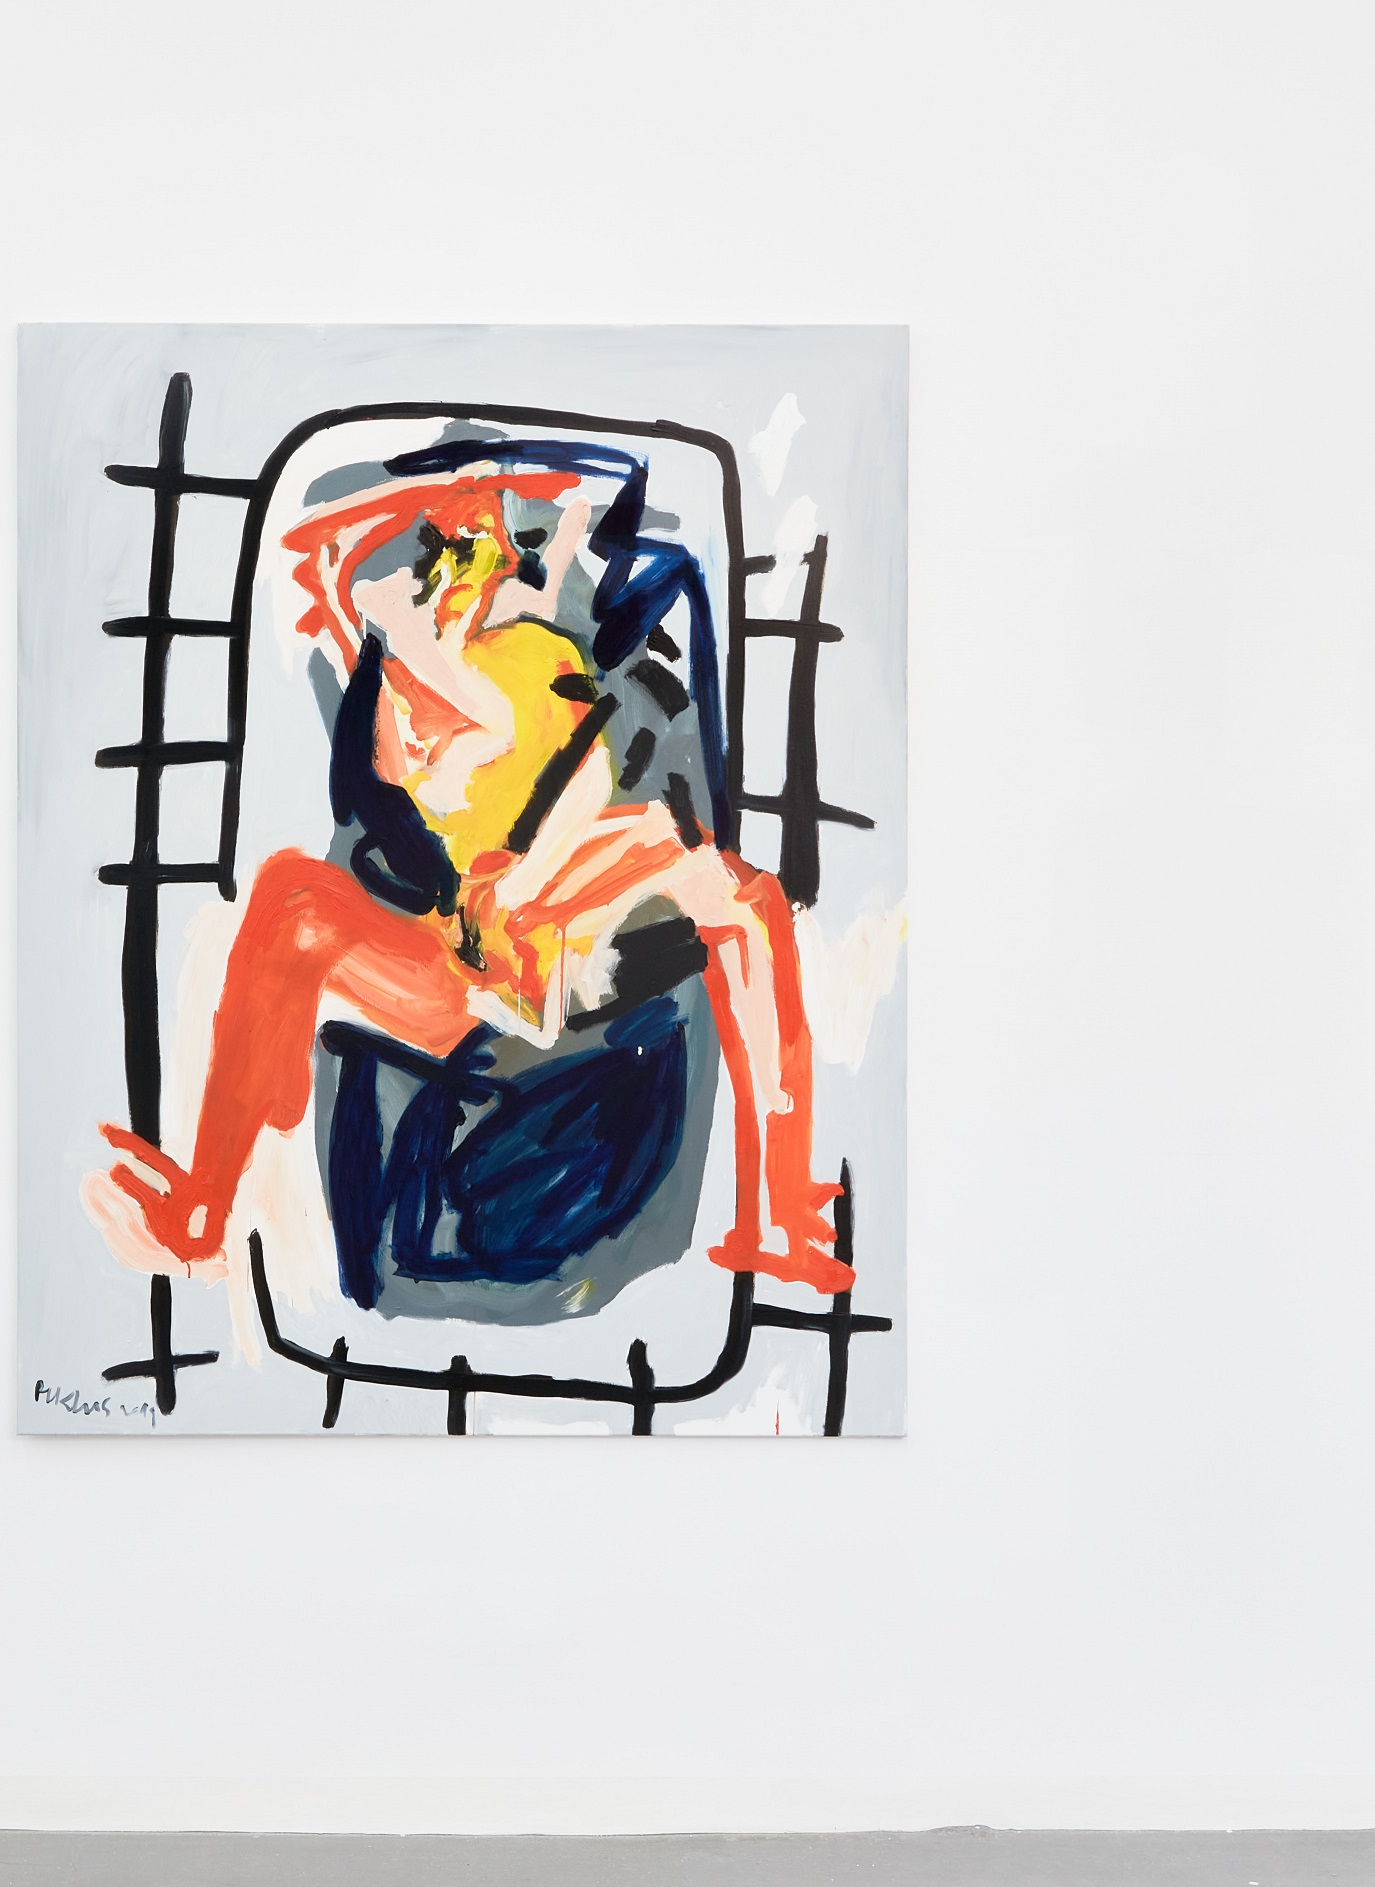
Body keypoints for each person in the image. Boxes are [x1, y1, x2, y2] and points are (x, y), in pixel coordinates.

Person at [84, 434, 854, 1301]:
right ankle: (204, 1209)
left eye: (472, 558)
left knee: (747, 903)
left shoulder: (530, 650)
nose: (461, 582)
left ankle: (780, 1210)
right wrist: (396, 602)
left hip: (567, 908)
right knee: (290, 903)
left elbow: (583, 774)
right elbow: (363, 619)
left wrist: (539, 878)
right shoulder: (395, 690)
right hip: (457, 955)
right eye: (440, 564)